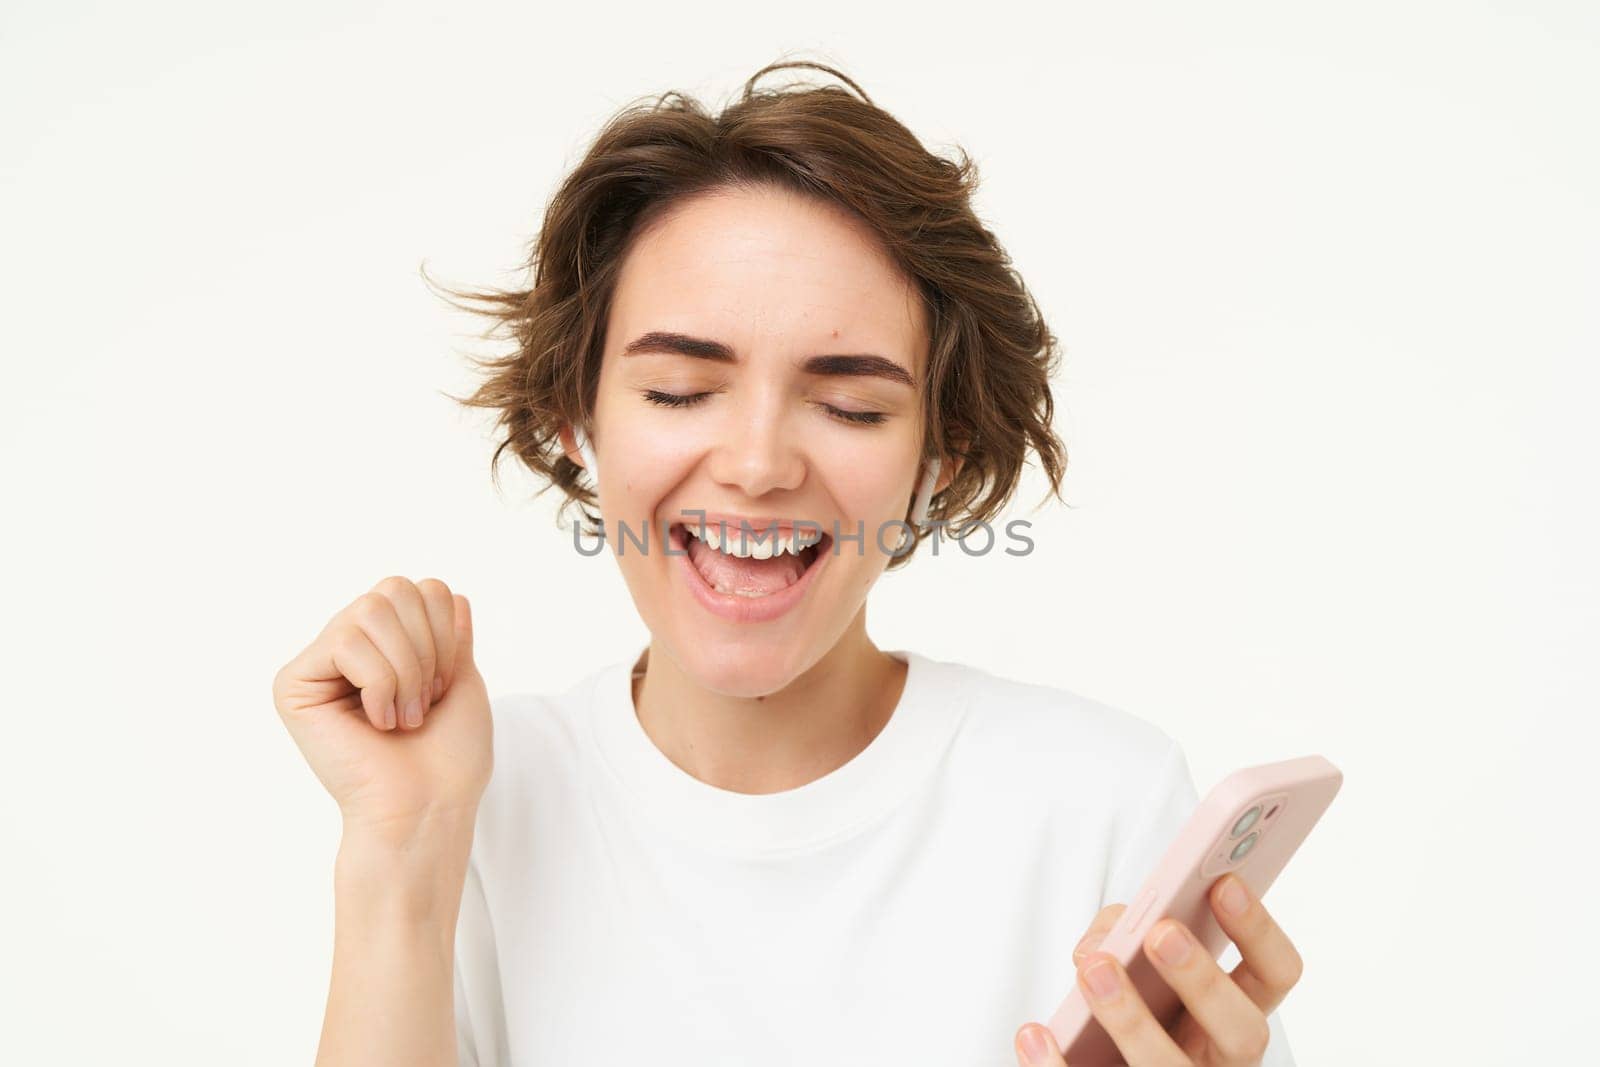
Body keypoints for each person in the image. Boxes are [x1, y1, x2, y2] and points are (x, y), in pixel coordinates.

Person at [273, 61, 1305, 1067]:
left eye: (851, 406)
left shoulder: (1096, 803)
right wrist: (404, 853)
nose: (759, 466)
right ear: (576, 417)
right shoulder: (474, 796)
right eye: (679, 389)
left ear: (934, 458)